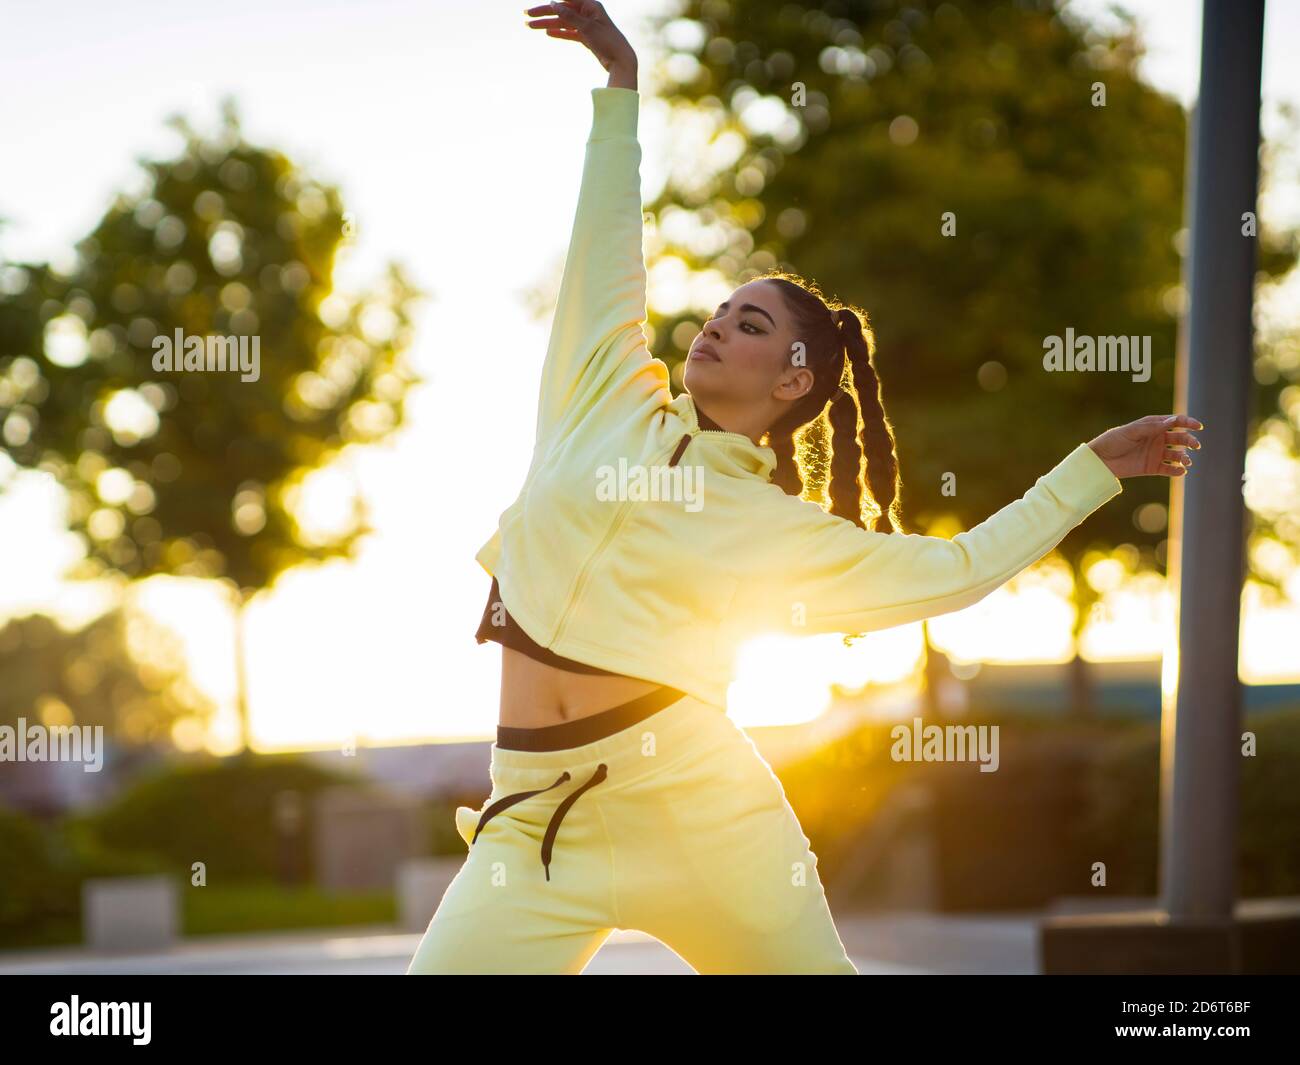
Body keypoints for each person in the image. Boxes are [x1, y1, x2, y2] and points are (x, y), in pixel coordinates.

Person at [406, 0, 1204, 975]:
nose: (716, 325)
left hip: (698, 812)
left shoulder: (771, 525)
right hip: (532, 818)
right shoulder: (600, 390)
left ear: (792, 382)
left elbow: (953, 570)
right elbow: (605, 247)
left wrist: (1091, 470)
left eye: (750, 326)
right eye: (720, 310)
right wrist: (622, 87)